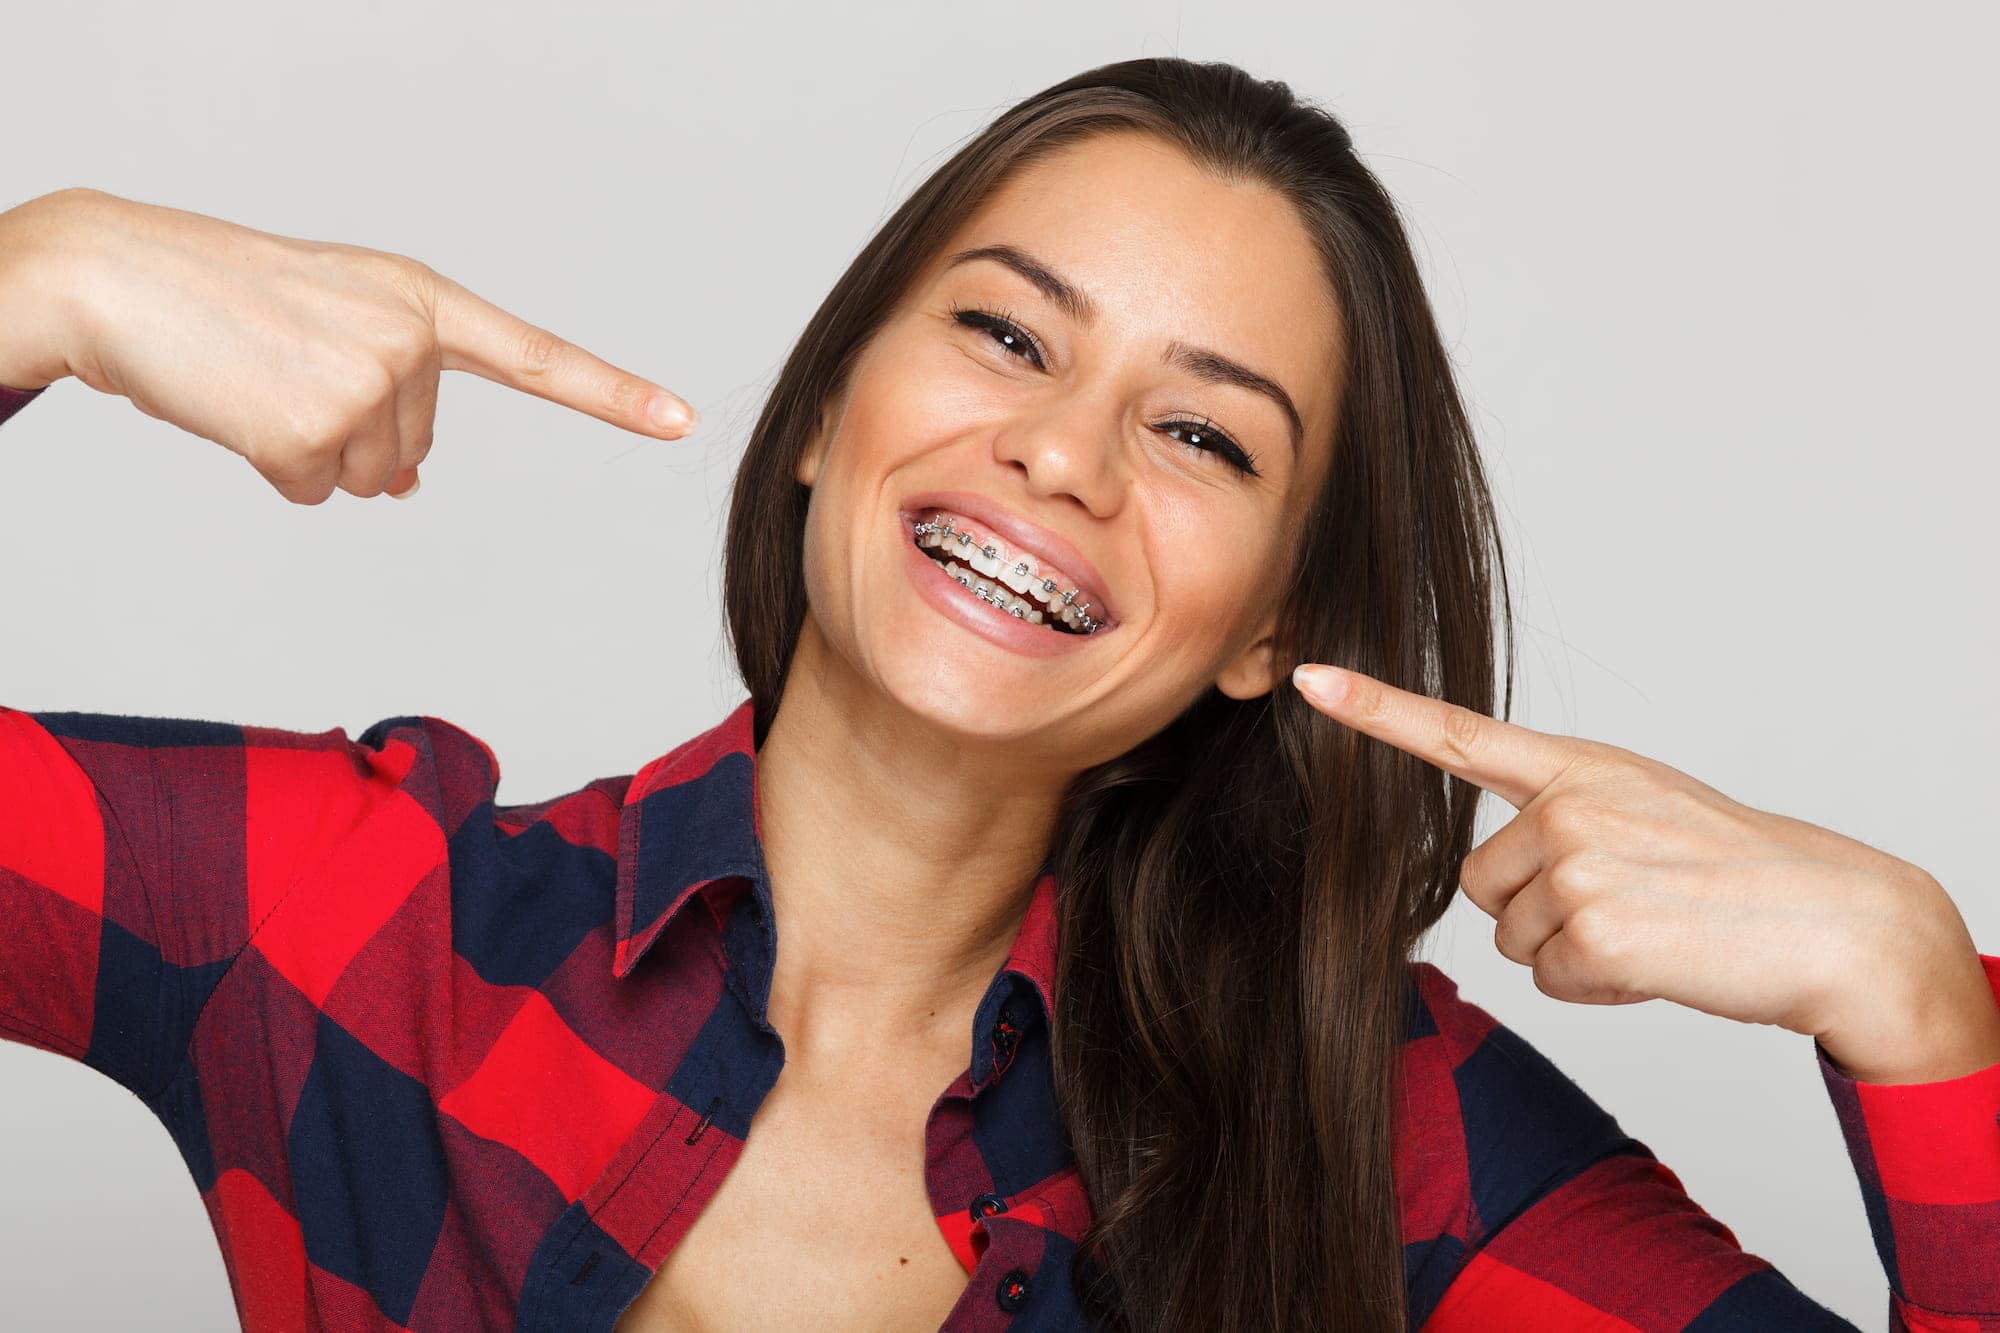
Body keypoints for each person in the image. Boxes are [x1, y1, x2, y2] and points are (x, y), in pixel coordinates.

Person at [1, 57, 1996, 1333]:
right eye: (1001, 335)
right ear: (830, 404)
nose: (1064, 453)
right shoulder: (352, 914)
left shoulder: (1365, 1125)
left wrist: (1914, 995)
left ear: (1253, 629)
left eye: (1203, 437)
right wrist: (41, 280)